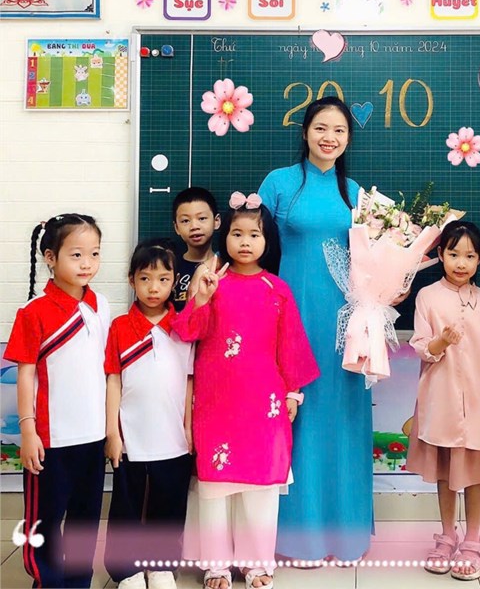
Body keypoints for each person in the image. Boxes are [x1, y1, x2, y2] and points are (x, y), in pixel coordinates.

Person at [172, 192, 319, 589]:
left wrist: (292, 393)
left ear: (268, 240)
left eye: (255, 235)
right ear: (225, 236)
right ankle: (216, 566)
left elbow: (291, 347)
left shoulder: (277, 289)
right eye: (237, 233)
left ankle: (256, 564)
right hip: (215, 401)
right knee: (215, 484)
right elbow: (187, 331)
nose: (245, 242)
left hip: (264, 404)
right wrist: (200, 297)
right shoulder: (211, 282)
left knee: (261, 484)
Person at [258, 96, 379, 562]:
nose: (330, 137)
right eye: (321, 128)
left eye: (340, 130)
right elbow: (253, 246)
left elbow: (370, 259)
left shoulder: (357, 193)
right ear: (306, 131)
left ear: (348, 139)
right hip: (290, 314)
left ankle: (346, 535)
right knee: (297, 417)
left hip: (346, 322)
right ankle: (297, 537)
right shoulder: (278, 183)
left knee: (342, 418)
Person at [4, 213, 109, 589]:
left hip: (93, 436)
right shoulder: (34, 312)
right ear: (50, 257)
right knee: (44, 520)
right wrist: (28, 430)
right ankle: (46, 580)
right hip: (50, 440)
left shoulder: (100, 305)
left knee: (85, 518)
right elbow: (25, 374)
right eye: (76, 255)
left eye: (94, 254)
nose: (87, 264)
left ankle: (78, 581)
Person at [406, 221, 480, 580]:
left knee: (473, 476)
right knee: (445, 474)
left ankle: (473, 541)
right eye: (454, 254)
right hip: (440, 399)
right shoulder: (428, 296)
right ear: (441, 254)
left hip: (478, 402)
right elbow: (422, 347)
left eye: (470, 256)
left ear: (479, 260)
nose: (461, 263)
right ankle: (447, 536)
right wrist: (442, 341)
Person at [103, 239, 194, 589]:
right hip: (132, 439)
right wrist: (113, 433)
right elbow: (113, 380)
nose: (153, 288)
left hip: (173, 439)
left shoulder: (183, 327)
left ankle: (161, 567)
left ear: (174, 282)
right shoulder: (119, 327)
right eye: (145, 279)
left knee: (168, 506)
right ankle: (126, 570)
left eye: (163, 279)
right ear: (131, 280)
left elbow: (189, 381)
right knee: (127, 507)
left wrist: (188, 428)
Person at [172, 187, 221, 311]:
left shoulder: (225, 267)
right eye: (185, 221)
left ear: (216, 221)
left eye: (202, 218)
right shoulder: (170, 266)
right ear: (176, 228)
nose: (194, 226)